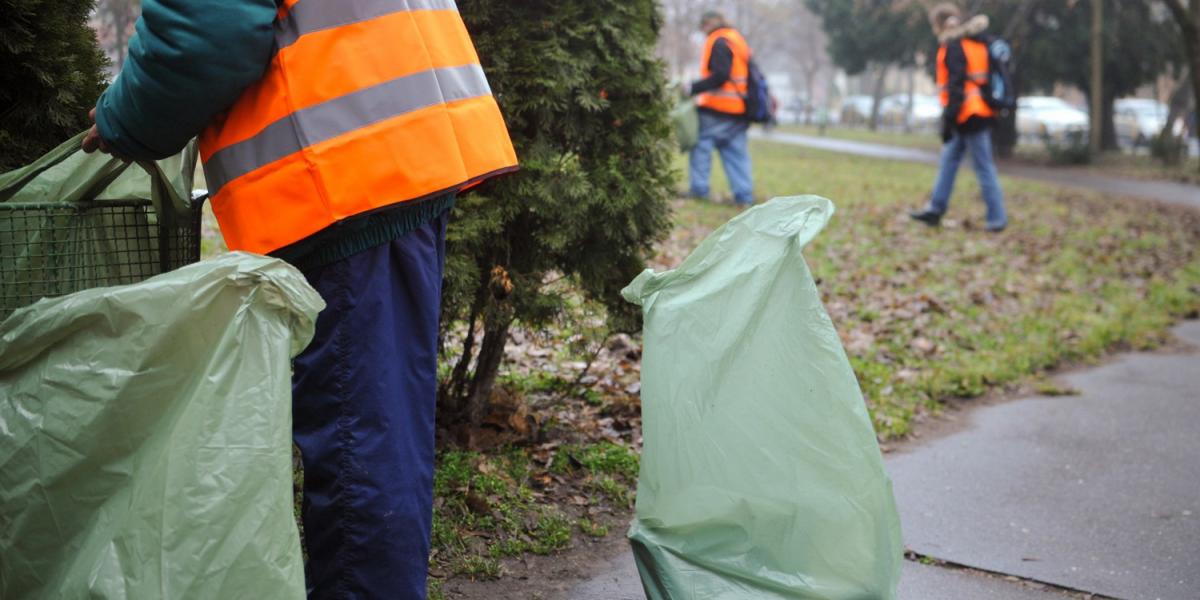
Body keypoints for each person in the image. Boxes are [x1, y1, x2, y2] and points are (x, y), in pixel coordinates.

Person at [82, 2, 518, 598]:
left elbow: (209, 28)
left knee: (359, 444)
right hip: (387, 146)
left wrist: (124, 117)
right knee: (379, 434)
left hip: (347, 170)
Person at [910, 3, 1008, 232]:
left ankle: (997, 218)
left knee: (983, 166)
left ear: (939, 24)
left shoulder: (954, 45)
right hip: (975, 111)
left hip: (969, 113)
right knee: (949, 161)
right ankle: (935, 208)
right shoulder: (973, 41)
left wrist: (949, 118)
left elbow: (956, 86)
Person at [687, 10, 755, 207]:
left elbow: (720, 75)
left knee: (701, 146)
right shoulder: (736, 39)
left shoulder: (719, 41)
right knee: (736, 153)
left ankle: (699, 190)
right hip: (739, 109)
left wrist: (693, 87)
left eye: (703, 27)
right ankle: (743, 196)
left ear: (708, 24)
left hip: (717, 108)